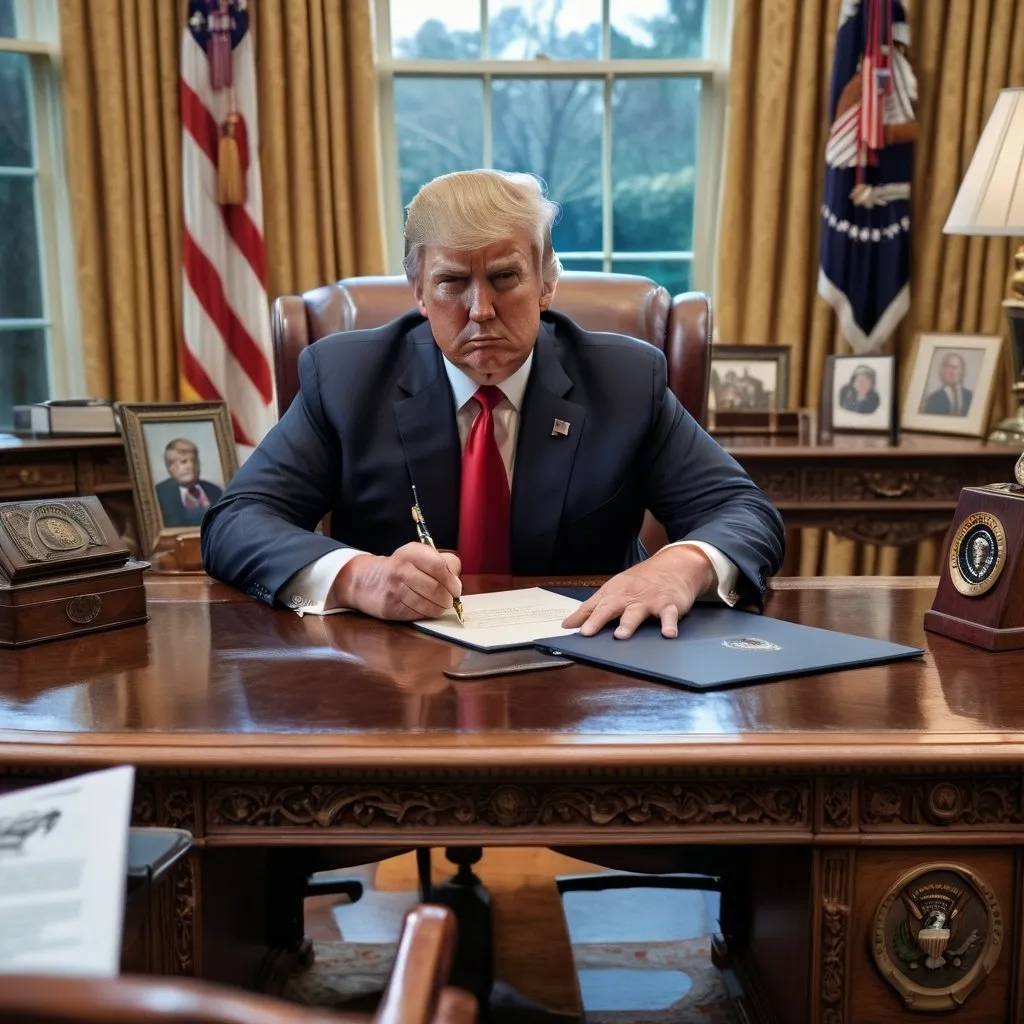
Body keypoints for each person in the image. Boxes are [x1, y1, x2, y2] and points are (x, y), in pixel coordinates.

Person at [200, 169, 785, 638]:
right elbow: (237, 522)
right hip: (398, 674)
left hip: (589, 665)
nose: (480, 309)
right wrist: (358, 578)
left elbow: (745, 513)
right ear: (419, 294)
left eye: (506, 277)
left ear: (547, 283)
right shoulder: (347, 378)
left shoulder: (623, 379)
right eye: (452, 282)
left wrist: (678, 567)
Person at [156, 438, 223, 528]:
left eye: (194, 460)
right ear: (169, 467)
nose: (190, 466)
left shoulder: (215, 490)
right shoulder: (159, 494)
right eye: (184, 461)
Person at [922, 351, 972, 416]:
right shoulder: (933, 399)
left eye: (956, 368)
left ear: (961, 371)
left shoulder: (970, 395)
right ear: (943, 370)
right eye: (949, 367)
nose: (952, 372)